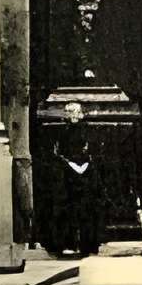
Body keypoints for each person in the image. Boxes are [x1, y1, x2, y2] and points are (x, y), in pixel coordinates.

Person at [46, 97, 105, 259]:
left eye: (77, 111)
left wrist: (85, 165)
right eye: (71, 111)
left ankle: (89, 244)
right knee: (68, 210)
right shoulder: (61, 132)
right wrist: (71, 165)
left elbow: (93, 150)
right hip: (67, 175)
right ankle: (68, 243)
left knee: (87, 209)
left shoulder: (89, 132)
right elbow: (58, 152)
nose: (74, 114)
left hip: (86, 173)